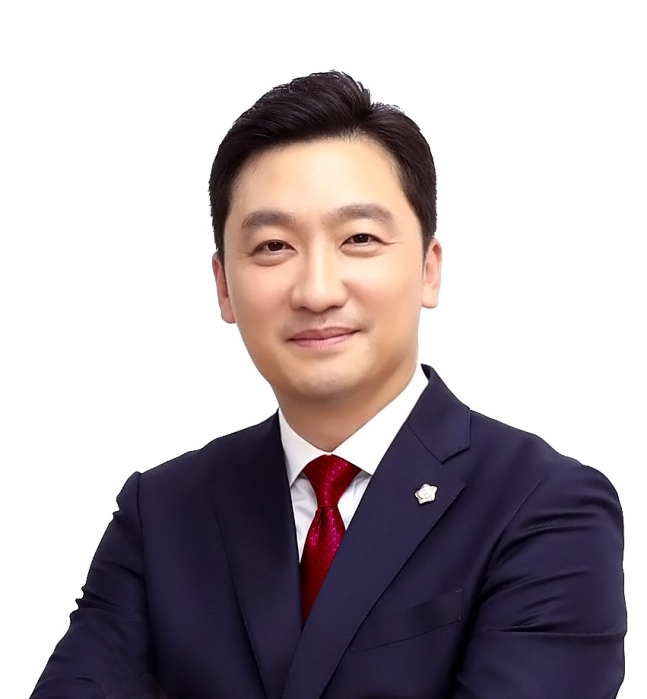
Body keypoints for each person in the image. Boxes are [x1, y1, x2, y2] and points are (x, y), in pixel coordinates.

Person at [30, 71, 626, 699]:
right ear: (224, 287)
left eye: (359, 239)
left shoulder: (545, 508)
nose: (317, 291)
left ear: (428, 269)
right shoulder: (162, 514)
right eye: (273, 246)